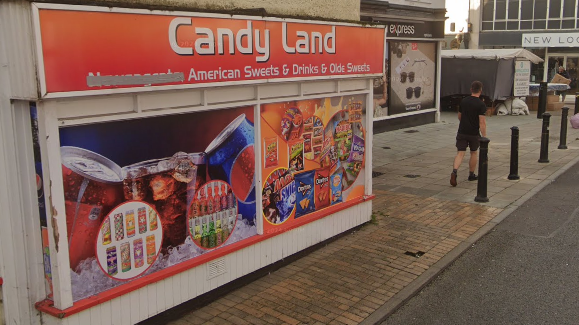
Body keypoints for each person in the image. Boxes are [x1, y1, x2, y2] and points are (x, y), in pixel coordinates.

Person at [450, 81, 487, 187]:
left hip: (462, 131)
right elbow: (482, 122)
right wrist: (484, 136)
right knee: (474, 152)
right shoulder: (481, 104)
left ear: (471, 89)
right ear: (480, 91)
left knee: (460, 153)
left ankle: (454, 172)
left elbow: (459, 117)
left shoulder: (464, 101)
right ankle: (471, 174)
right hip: (474, 133)